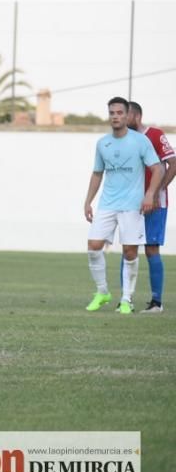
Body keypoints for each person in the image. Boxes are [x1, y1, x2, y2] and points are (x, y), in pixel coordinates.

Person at [83, 97, 162, 315]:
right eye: (112, 113)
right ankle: (102, 292)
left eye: (119, 113)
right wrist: (88, 201)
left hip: (132, 206)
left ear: (127, 116)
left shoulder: (140, 141)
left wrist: (150, 194)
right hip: (108, 203)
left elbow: (158, 168)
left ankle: (127, 299)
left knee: (129, 252)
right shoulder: (103, 143)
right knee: (93, 245)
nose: (115, 116)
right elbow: (97, 173)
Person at [125, 102, 176, 313]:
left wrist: (156, 192)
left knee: (151, 248)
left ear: (136, 116)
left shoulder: (155, 134)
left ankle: (157, 302)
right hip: (130, 204)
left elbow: (173, 163)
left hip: (155, 203)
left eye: (124, 115)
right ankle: (125, 300)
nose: (119, 120)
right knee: (128, 248)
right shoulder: (125, 140)